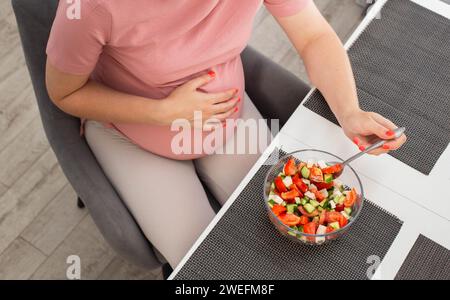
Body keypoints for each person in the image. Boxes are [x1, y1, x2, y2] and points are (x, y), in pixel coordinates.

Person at [45, 0, 406, 268]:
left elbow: (313, 36)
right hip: (133, 134)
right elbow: (64, 93)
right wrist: (164, 112)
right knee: (212, 267)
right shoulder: (91, 7)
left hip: (226, 117)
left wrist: (349, 111)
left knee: (295, 236)